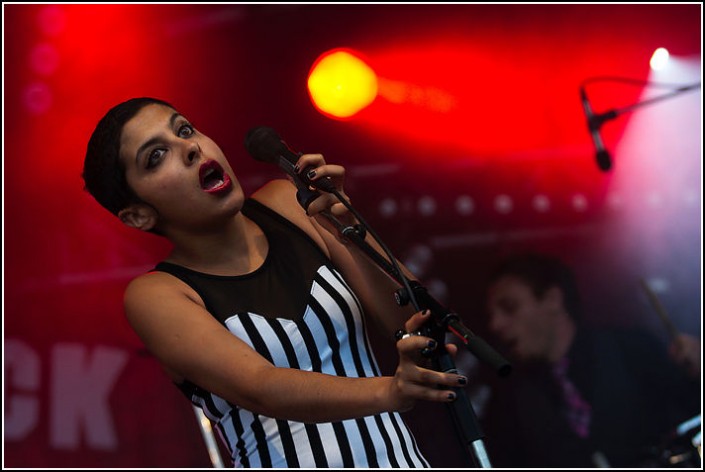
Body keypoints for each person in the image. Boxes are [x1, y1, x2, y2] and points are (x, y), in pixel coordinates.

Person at [81, 97, 467, 468]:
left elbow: (413, 320)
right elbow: (260, 386)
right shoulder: (158, 294)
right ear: (137, 217)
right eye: (156, 156)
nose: (190, 148)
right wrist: (390, 391)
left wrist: (349, 227)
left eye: (184, 129)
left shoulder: (288, 203)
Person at [478, 252, 700, 468]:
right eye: (493, 314)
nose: (496, 324)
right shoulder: (512, 399)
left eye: (509, 308)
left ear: (553, 299)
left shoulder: (631, 350)